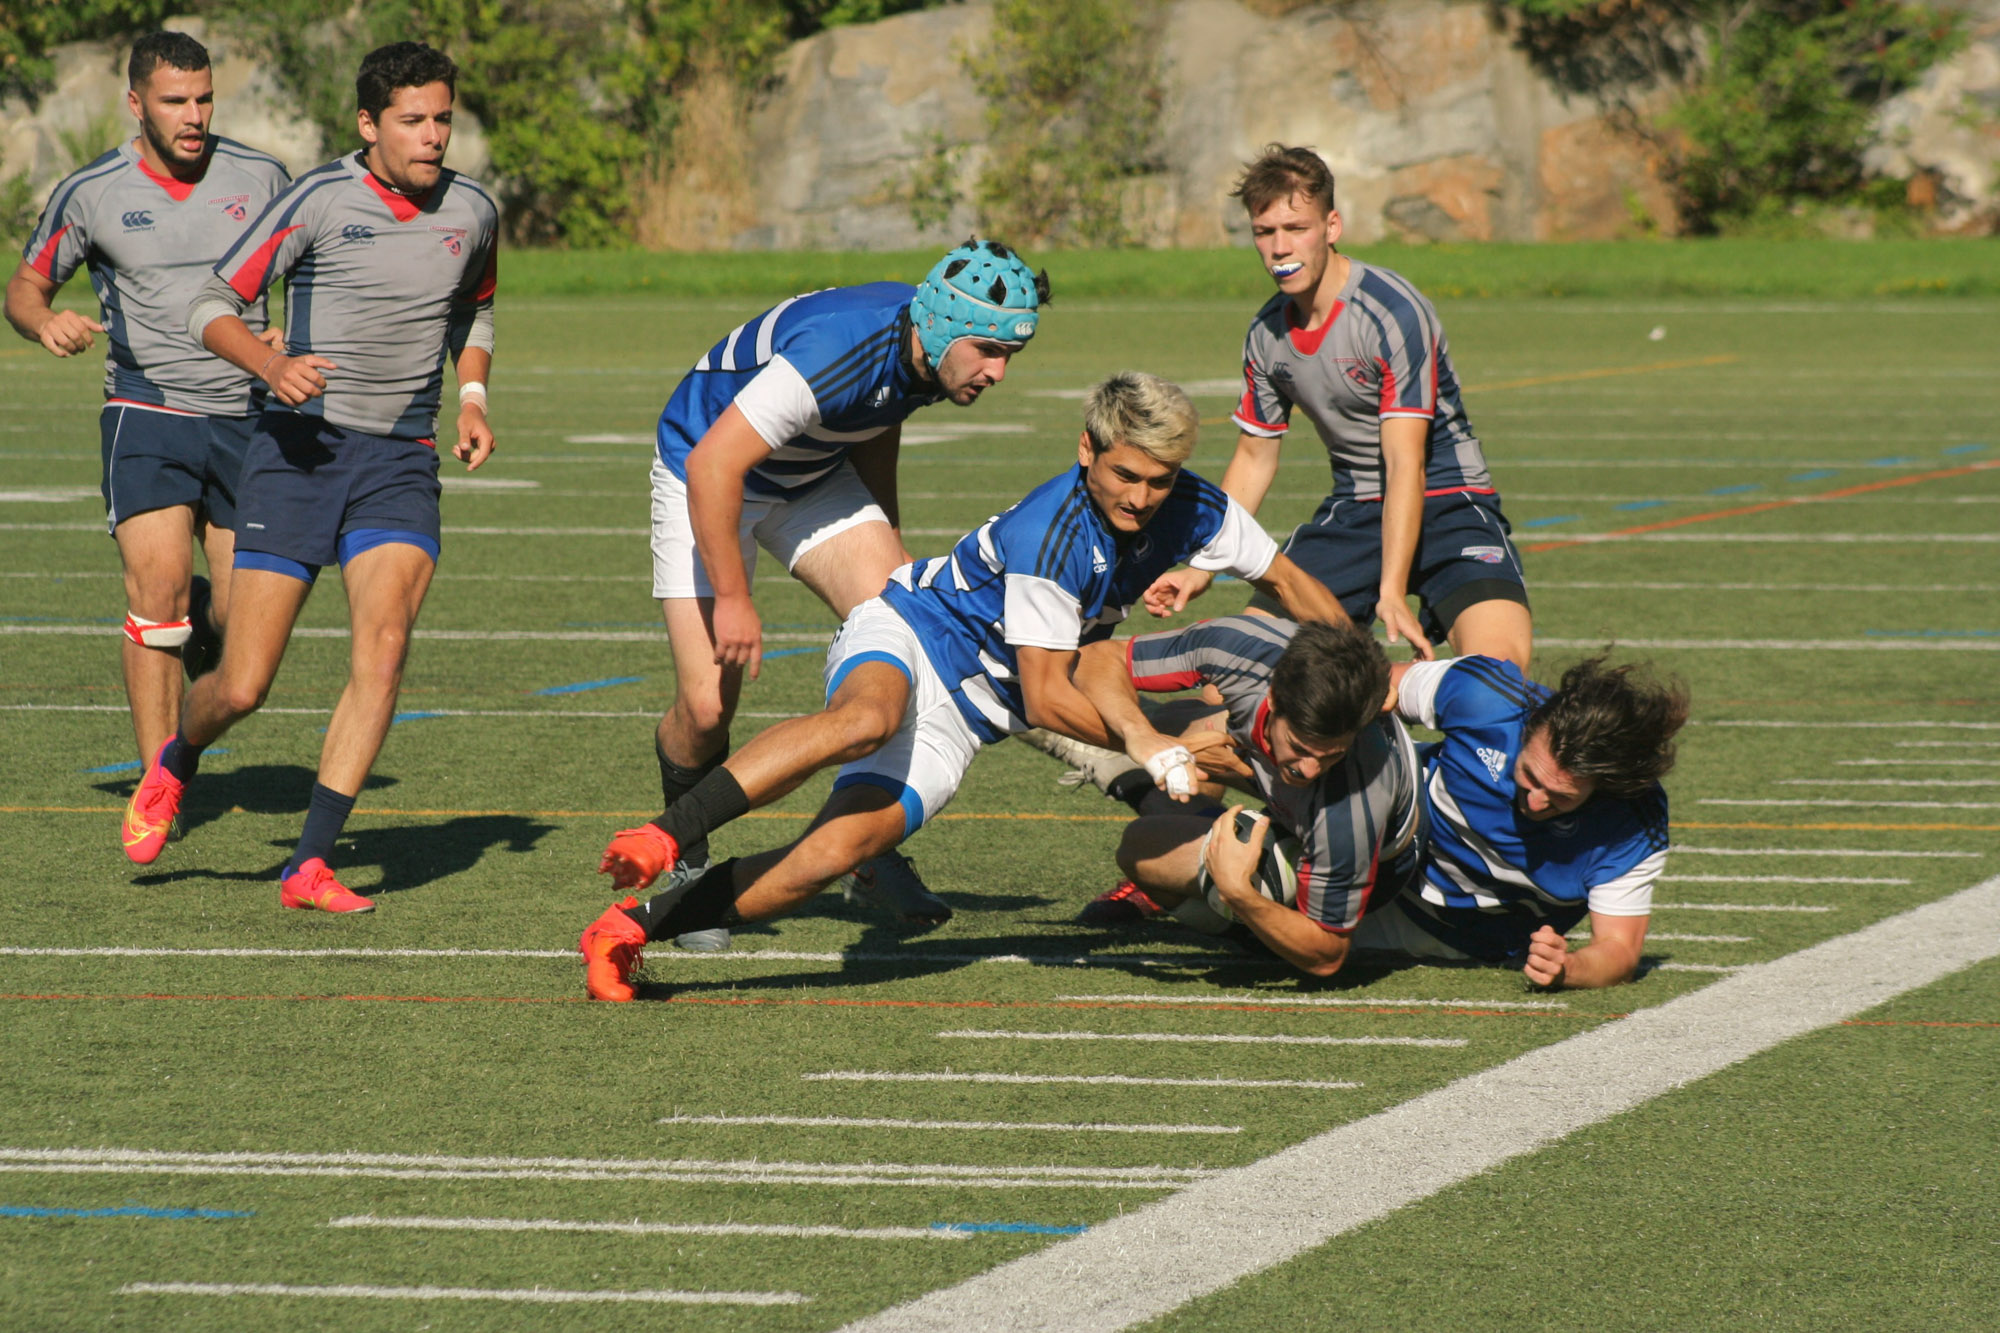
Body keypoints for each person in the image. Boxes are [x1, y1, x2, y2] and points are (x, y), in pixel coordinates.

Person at [577, 371, 1349, 1001]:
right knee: (866, 720)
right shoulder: (1055, 535)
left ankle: (628, 928)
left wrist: (1361, 669)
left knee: (831, 854)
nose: (1141, 497)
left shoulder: (1199, 510)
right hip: (911, 633)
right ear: (1087, 450)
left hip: (972, 712)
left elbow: (1285, 579)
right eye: (1125, 474)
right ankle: (668, 832)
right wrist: (1152, 746)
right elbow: (1047, 699)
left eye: (1158, 479)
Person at [119, 41, 499, 915]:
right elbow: (211, 302)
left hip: (401, 458)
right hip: (298, 452)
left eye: (443, 118)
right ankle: (176, 759)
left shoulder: (473, 211)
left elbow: (474, 306)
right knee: (245, 683)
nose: (433, 135)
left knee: (386, 648)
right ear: (369, 125)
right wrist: (266, 363)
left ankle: (310, 864)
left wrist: (472, 394)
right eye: (413, 120)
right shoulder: (320, 199)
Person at [644, 239, 1050, 938]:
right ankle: (687, 859)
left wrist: (891, 549)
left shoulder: (927, 347)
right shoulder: (841, 347)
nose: (998, 372)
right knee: (708, 707)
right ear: (948, 327)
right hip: (706, 470)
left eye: (1010, 354)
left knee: (911, 631)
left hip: (811, 473)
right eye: (989, 349)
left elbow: (877, 418)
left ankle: (869, 851)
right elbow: (717, 462)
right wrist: (737, 598)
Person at [5, 31, 289, 792]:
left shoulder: (263, 178)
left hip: (248, 417)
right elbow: (25, 288)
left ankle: (204, 613)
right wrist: (44, 322)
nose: (194, 116)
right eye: (175, 102)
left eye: (203, 99)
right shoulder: (92, 191)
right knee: (153, 596)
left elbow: (317, 266)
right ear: (137, 104)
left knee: (238, 626)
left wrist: (297, 328)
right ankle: (158, 785)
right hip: (147, 410)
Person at [1085, 643, 1685, 990]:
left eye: (1560, 800)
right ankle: (1111, 748)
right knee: (1231, 749)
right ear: (1531, 723)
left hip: (1427, 931)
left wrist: (1570, 967)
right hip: (1382, 830)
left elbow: (1619, 950)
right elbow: (1370, 696)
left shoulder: (1634, 821)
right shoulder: (1485, 695)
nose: (1532, 803)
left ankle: (1146, 794)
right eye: (1529, 777)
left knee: (1156, 859)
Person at [1149, 144, 1533, 668]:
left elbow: (1406, 464)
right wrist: (1200, 566)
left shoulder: (1391, 311)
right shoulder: (1267, 333)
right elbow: (1255, 458)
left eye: (1296, 228)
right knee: (1243, 671)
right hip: (1358, 511)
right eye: (1265, 233)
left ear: (1332, 226)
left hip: (1448, 500)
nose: (1280, 248)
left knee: (1497, 674)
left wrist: (1390, 591)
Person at [1077, 615, 1420, 978]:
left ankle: (1246, 918)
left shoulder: (1349, 813)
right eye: (1300, 747)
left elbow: (1327, 955)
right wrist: (1140, 735)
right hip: (1293, 787)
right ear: (1272, 699)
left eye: (1331, 754)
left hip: (1375, 860)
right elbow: (1098, 658)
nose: (1310, 769)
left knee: (1142, 849)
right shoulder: (1241, 648)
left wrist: (1240, 892)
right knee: (1175, 721)